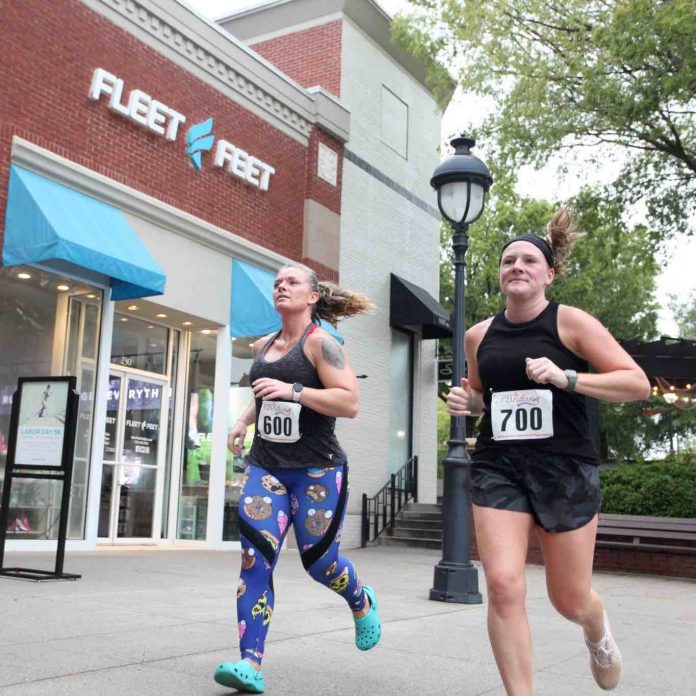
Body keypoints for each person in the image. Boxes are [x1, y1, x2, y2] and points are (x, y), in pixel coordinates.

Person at [446, 209, 650, 695]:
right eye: (508, 260)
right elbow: (481, 395)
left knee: (569, 598)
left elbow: (636, 384)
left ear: (549, 274)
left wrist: (568, 377)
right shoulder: (479, 336)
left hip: (565, 469)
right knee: (502, 584)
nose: (517, 266)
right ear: (499, 273)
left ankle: (596, 628)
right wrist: (468, 402)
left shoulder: (571, 323)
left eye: (529, 260)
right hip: (500, 466)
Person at [214, 263, 381, 693]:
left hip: (318, 470)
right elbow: (264, 393)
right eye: (277, 283)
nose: (281, 286)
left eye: (291, 282)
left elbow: (350, 402)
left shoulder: (321, 344)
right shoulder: (263, 345)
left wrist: (295, 392)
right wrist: (243, 420)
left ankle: (360, 600)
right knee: (255, 562)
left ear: (312, 296)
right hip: (266, 468)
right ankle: (250, 662)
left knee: (320, 563)